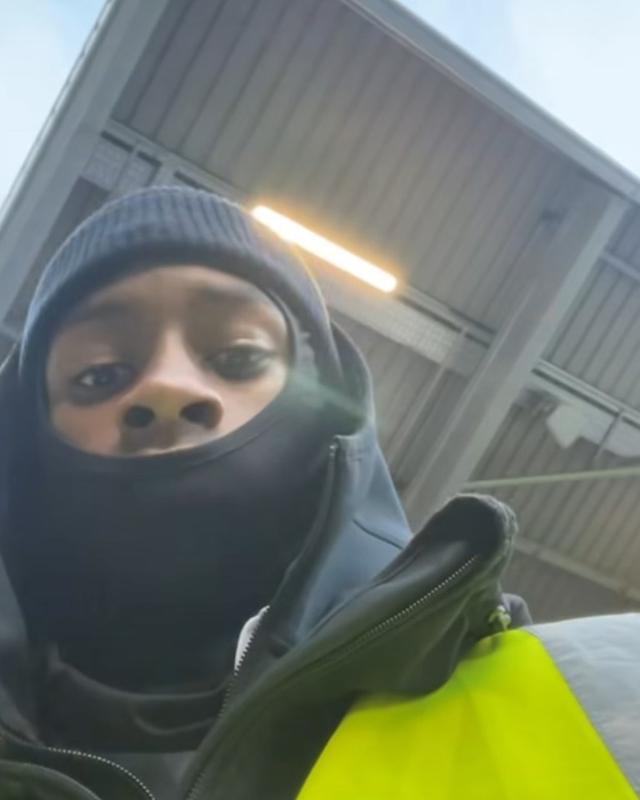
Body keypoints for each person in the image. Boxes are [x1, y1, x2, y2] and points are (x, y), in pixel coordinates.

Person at [0, 187, 633, 800]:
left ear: (325, 414)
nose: (166, 386)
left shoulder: (601, 710)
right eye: (100, 374)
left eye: (238, 356)